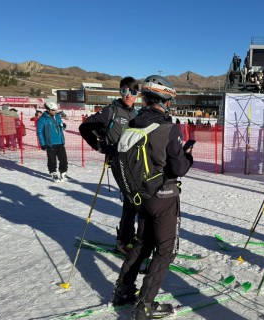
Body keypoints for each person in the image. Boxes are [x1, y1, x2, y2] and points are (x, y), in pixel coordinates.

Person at [112, 75, 193, 320]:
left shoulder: (134, 123)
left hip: (140, 196)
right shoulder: (168, 128)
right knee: (165, 250)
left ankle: (123, 290)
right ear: (166, 99)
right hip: (162, 195)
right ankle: (145, 305)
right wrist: (187, 155)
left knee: (143, 243)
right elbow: (179, 168)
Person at [79, 76, 140, 253]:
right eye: (124, 91)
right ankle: (123, 240)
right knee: (130, 200)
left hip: (134, 163)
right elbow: (84, 128)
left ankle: (130, 235)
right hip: (117, 162)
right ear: (120, 92)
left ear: (138, 94)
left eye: (133, 92)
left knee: (135, 200)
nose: (128, 95)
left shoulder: (136, 114)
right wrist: (100, 146)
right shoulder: (110, 111)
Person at [37, 102, 68, 182]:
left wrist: (63, 126)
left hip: (60, 141)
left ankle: (63, 172)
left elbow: (59, 126)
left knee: (63, 159)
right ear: (48, 110)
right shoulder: (42, 119)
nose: (55, 111)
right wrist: (43, 144)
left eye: (55, 110)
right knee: (52, 160)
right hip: (50, 143)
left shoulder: (57, 117)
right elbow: (39, 132)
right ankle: (53, 173)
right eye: (53, 110)